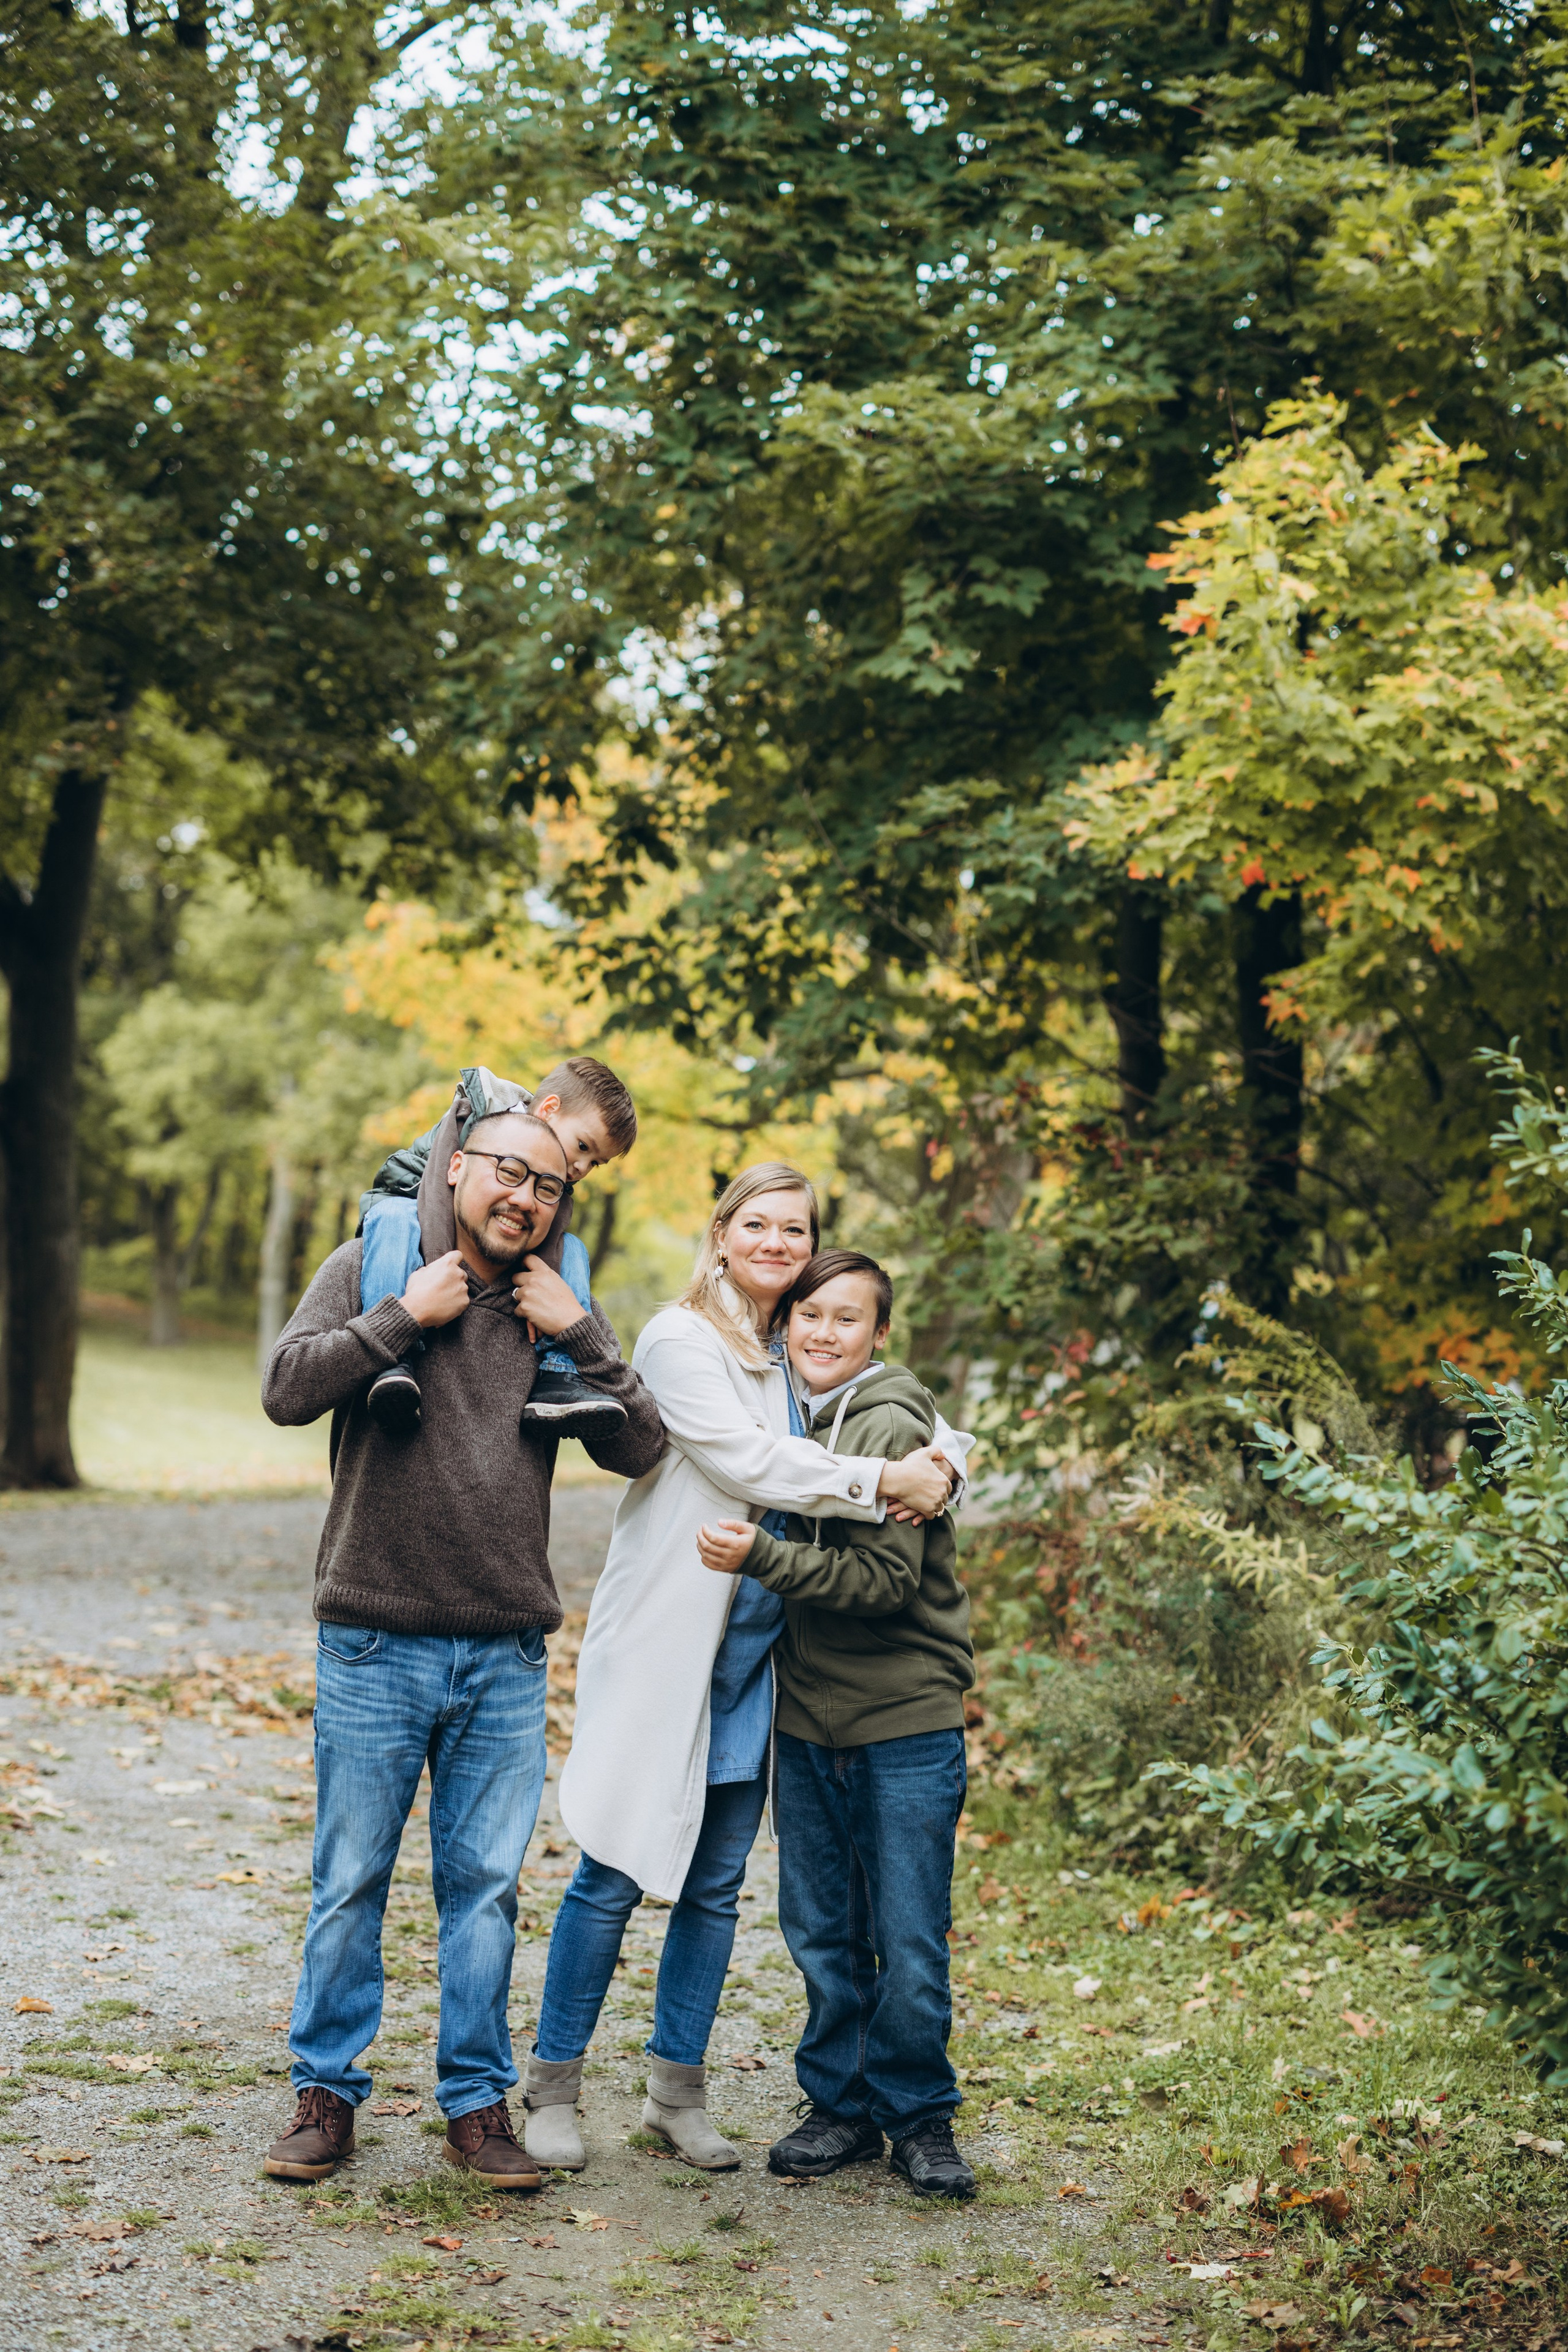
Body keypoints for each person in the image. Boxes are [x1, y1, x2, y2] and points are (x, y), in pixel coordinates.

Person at [519, 1164, 970, 2176]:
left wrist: (943, 1464)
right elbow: (744, 1463)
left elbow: (897, 1412)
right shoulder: (683, 1339)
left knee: (716, 1886)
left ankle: (674, 2093)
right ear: (721, 1234)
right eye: (756, 1224)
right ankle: (551, 2089)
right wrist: (882, 1479)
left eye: (795, 1229)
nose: (776, 1241)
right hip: (671, 1643)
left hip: (758, 1660)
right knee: (617, 1867)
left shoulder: (788, 1348)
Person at [258, 1107, 663, 2190]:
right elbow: (286, 1389)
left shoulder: (552, 1308)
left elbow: (643, 1446)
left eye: (548, 1185)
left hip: (504, 1652)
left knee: (483, 1890)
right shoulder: (373, 1264)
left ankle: (476, 2107)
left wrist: (584, 1334)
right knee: (350, 1881)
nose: (526, 1197)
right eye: (507, 1173)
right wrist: (399, 1317)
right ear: (459, 1169)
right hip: (373, 1638)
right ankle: (326, 2096)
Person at [695, 1248, 977, 2199]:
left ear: (878, 1334)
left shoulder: (889, 1417)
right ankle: (842, 2106)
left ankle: (920, 2116)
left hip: (903, 1719)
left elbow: (885, 1582)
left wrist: (760, 1563)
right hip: (809, 1719)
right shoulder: (786, 1416)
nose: (822, 1332)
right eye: (808, 1314)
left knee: (906, 1932)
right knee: (823, 1928)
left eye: (846, 1318)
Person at [358, 1058, 638, 1441]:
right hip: (412, 1197)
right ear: (550, 1109)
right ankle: (393, 1360)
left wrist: (551, 1302)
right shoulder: (482, 1114)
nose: (582, 1167)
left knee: (572, 1249)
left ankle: (559, 1374)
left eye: (596, 1163)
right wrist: (446, 1274)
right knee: (394, 1218)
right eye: (584, 1147)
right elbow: (439, 1195)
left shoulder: (557, 1174)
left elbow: (551, 1236)